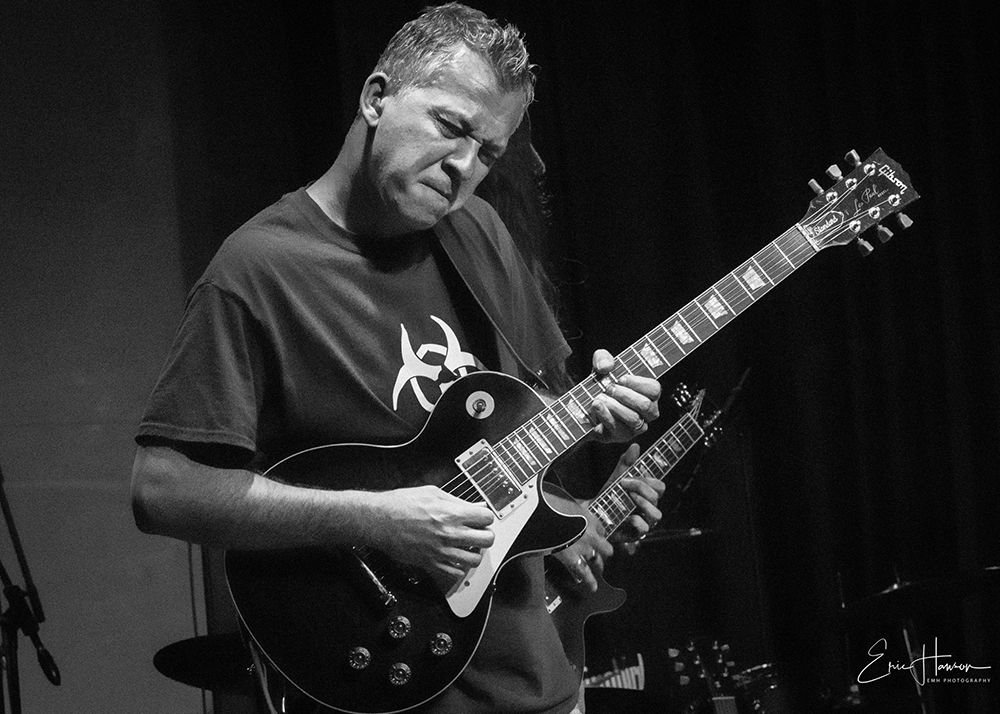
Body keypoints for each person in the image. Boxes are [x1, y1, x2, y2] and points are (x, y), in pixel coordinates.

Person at [131, 4, 664, 713]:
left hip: (539, 684)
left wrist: (600, 427)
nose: (465, 167)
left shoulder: (479, 231)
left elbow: (517, 438)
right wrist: (376, 520)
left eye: (490, 153)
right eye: (452, 127)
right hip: (392, 674)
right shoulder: (256, 270)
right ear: (376, 98)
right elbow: (162, 491)